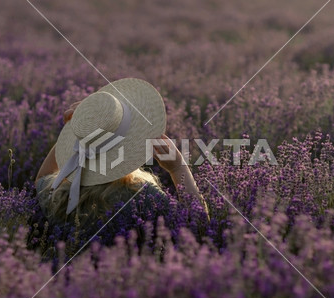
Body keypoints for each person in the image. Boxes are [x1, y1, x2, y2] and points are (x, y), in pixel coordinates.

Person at [32, 78, 208, 254]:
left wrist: (79, 127)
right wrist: (178, 168)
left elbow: (42, 177)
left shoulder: (59, 193)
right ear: (133, 141)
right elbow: (197, 226)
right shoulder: (141, 195)